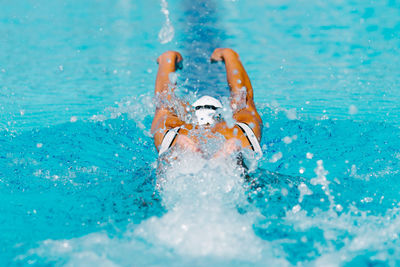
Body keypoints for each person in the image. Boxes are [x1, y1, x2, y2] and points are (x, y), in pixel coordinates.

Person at [151, 48, 263, 161]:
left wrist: (168, 58)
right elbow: (243, 97)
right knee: (240, 161)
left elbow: (163, 102)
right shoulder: (239, 127)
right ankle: (228, 152)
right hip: (232, 151)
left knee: (165, 110)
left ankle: (185, 148)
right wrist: (229, 54)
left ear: (192, 116)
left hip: (184, 145)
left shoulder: (178, 128)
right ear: (221, 116)